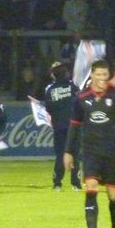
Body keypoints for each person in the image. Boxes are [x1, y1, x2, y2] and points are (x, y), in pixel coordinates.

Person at [64, 60, 115, 228]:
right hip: (90, 152)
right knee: (91, 187)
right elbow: (74, 126)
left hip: (112, 152)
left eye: (106, 75)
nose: (103, 78)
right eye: (99, 75)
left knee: (113, 194)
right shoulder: (82, 98)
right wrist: (68, 152)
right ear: (93, 75)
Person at [44, 62, 80, 191]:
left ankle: (57, 183)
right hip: (74, 126)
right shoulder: (73, 86)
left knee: (60, 155)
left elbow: (48, 108)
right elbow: (79, 103)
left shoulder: (50, 89)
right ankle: (75, 184)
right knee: (75, 154)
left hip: (59, 127)